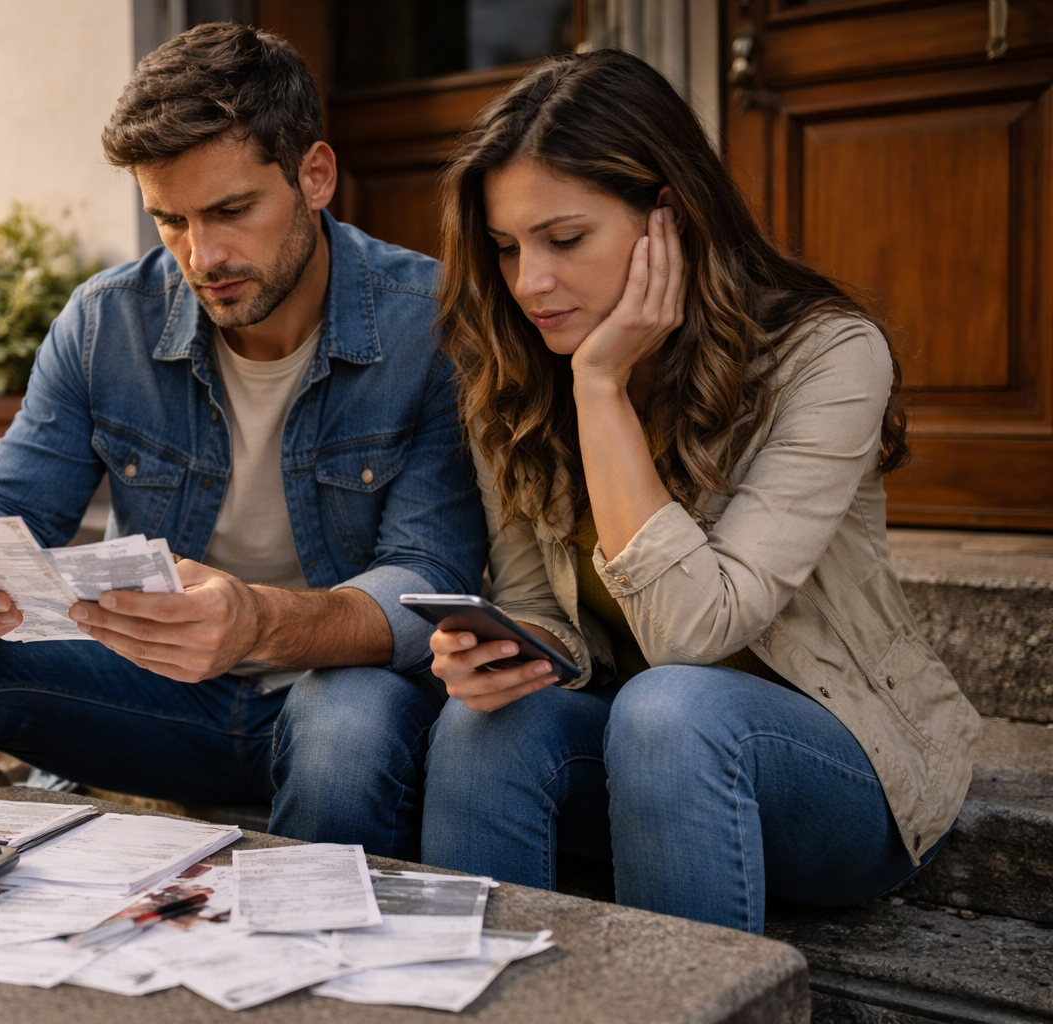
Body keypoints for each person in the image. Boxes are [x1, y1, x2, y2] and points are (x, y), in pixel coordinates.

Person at [0, 23, 486, 860]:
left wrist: (256, 621)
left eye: (231, 210)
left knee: (351, 721)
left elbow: (428, 576)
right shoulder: (106, 321)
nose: (203, 255)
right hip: (154, 692)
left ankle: (307, 974)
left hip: (337, 704)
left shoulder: (432, 323)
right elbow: (10, 504)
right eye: (170, 220)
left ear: (316, 175)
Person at [418, 50, 981, 933]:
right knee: (484, 728)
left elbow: (690, 634)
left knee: (670, 706)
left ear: (666, 222)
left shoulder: (828, 358)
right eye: (507, 248)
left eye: (564, 240)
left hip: (836, 775)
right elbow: (542, 606)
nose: (529, 282)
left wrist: (601, 388)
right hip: (636, 763)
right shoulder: (514, 375)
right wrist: (510, 651)